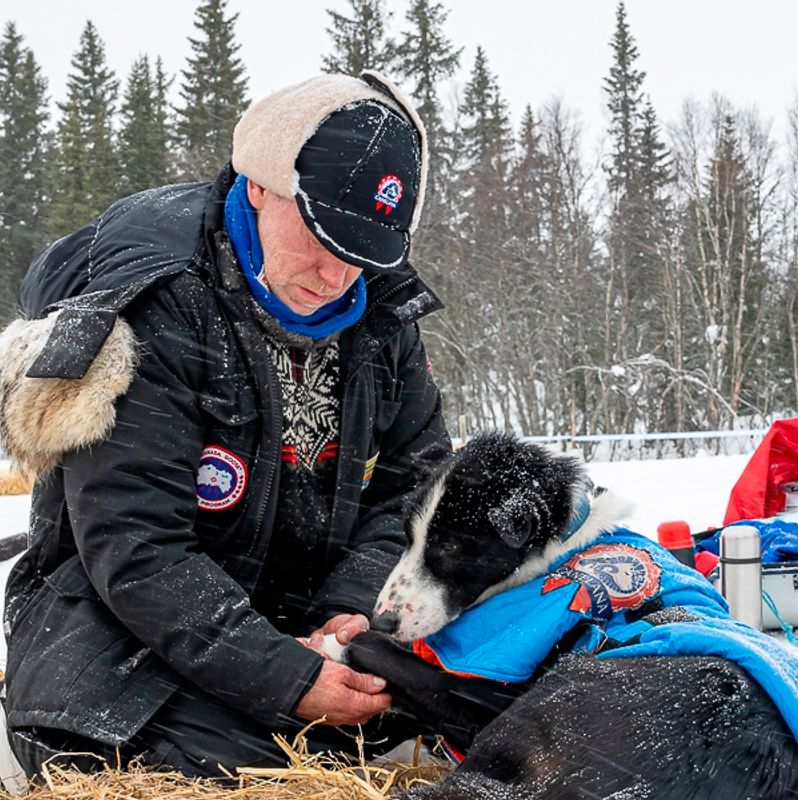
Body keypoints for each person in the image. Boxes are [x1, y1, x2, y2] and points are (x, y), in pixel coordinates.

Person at [0, 70, 449, 778]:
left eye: (364, 251)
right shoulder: (159, 304)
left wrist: (347, 613)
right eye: (321, 235)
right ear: (261, 185)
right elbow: (137, 546)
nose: (338, 275)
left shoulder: (384, 314)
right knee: (248, 777)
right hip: (119, 646)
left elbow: (413, 488)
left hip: (298, 629)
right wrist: (289, 680)